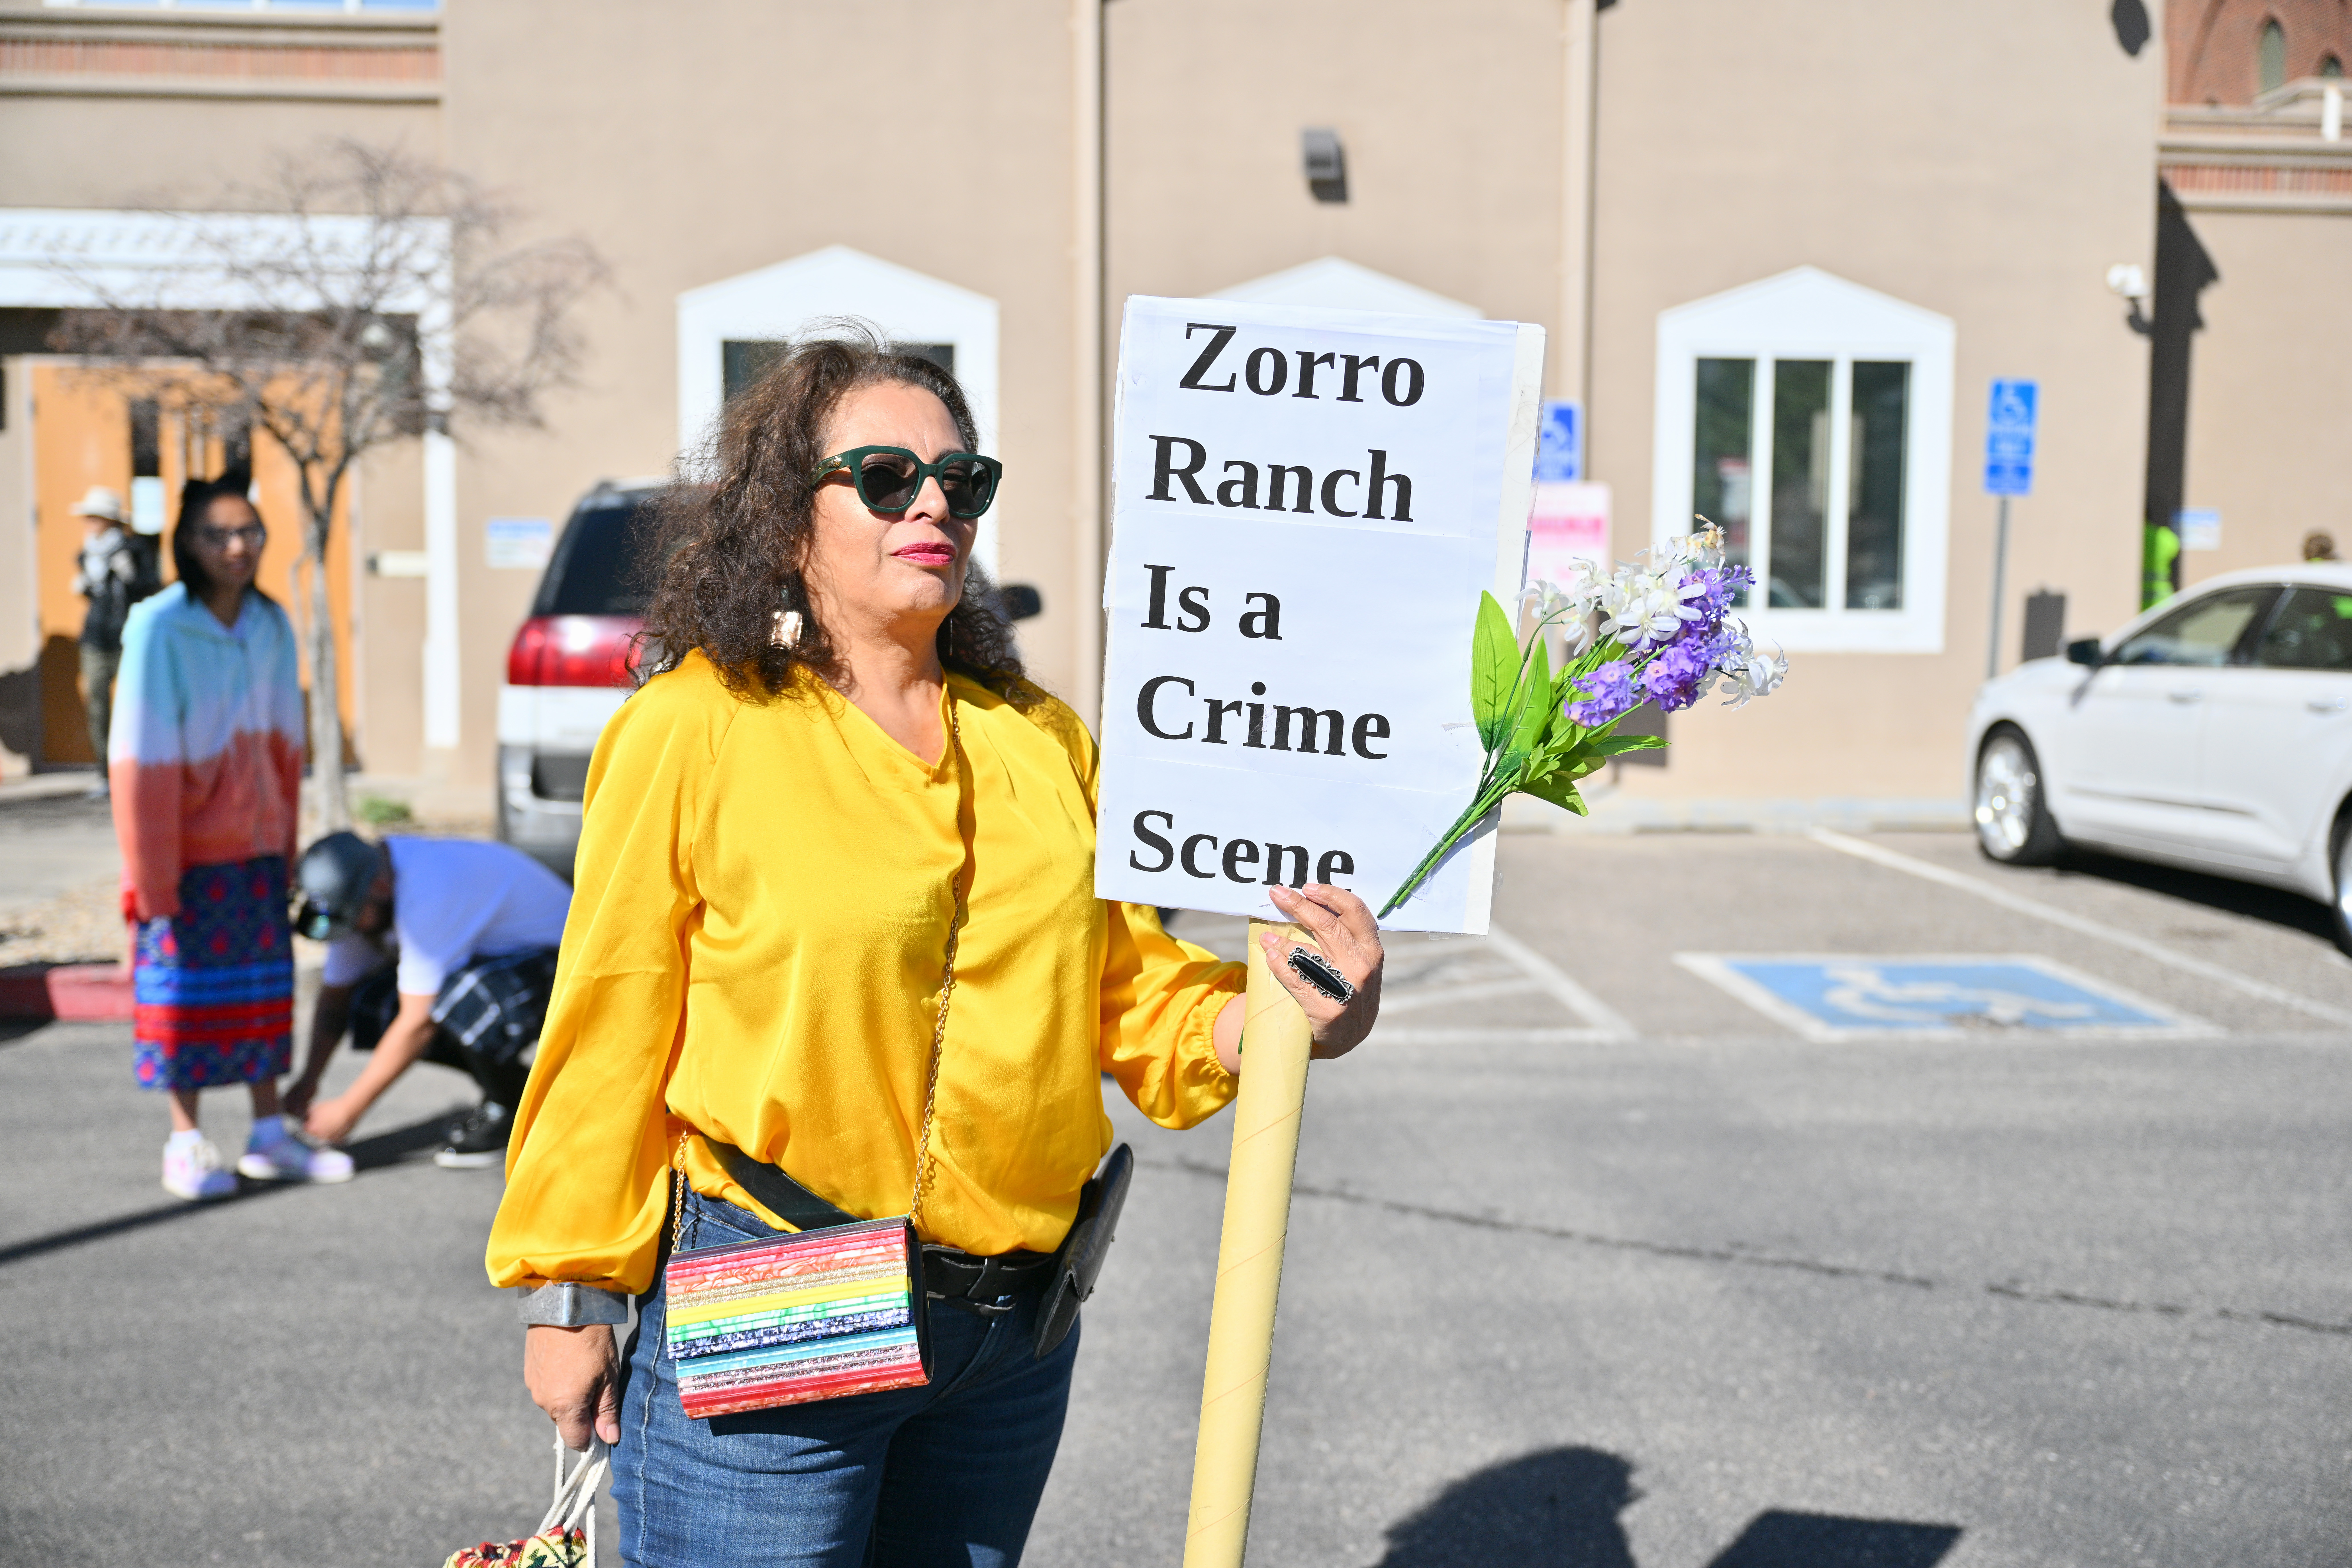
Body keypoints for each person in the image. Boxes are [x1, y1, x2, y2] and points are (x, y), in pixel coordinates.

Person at [487, 330, 1387, 1567]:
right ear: (789, 517)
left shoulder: (1044, 742)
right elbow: (608, 1020)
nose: (933, 506)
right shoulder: (695, 723)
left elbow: (1127, 993)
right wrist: (571, 1292)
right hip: (781, 1280)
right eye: (886, 476)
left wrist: (1292, 1011)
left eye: (962, 483)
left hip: (1006, 1337)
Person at [112, 471, 352, 1200]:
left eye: (248, 530)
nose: (237, 546)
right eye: (217, 533)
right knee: (178, 998)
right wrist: (151, 876)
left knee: (260, 993)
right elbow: (138, 757)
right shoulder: (159, 625)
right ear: (188, 542)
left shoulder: (272, 624)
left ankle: (269, 1134)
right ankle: (185, 1142)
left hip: (255, 853)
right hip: (181, 857)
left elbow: (285, 747)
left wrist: (283, 846)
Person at [285, 829, 572, 1168]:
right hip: (502, 958)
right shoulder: (367, 888)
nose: (353, 933)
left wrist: (349, 1108)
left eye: (354, 920)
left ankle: (510, 1106)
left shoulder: (428, 890)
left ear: (378, 887)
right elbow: (337, 998)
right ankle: (520, 1090)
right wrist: (309, 1079)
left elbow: (417, 1021)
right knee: (372, 1004)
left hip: (566, 963)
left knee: (461, 1001)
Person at [71, 484, 161, 799]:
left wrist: (131, 576)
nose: (91, 523)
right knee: (97, 706)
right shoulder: (85, 554)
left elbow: (152, 588)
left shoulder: (135, 550)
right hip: (96, 638)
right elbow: (95, 597)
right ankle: (105, 774)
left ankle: (137, 772)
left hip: (129, 636)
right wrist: (85, 585)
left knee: (134, 706)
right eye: (88, 517)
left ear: (111, 520)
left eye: (96, 517)